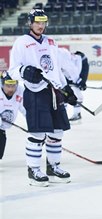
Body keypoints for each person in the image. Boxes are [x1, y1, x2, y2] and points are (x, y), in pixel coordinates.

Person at [9, 8, 77, 186]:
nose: (40, 25)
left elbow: (55, 69)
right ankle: (33, 170)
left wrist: (66, 88)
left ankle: (53, 166)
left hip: (54, 92)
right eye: (37, 22)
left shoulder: (51, 42)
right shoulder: (21, 42)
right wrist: (25, 71)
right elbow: (13, 70)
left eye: (43, 22)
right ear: (30, 23)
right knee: (38, 134)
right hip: (35, 92)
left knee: (57, 132)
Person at [58, 49, 89, 124]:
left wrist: (79, 81)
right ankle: (63, 116)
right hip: (68, 70)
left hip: (81, 63)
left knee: (76, 90)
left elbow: (72, 69)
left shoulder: (59, 55)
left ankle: (77, 114)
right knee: (63, 92)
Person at [0, 71, 25, 159]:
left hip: (3, 128)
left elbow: (25, 109)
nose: (11, 89)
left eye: (13, 86)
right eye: (8, 86)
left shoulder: (20, 90)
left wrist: (35, 126)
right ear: (2, 84)